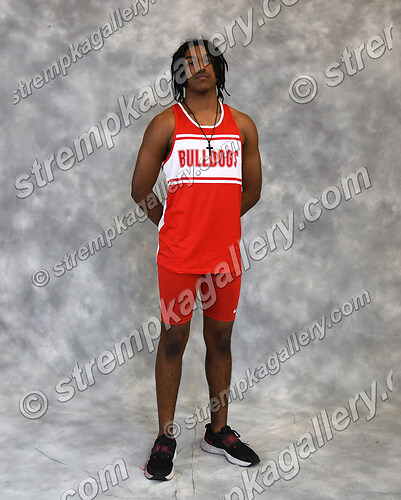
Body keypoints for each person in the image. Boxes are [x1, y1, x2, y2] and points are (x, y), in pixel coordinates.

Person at [131, 36, 262, 481]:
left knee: (220, 341)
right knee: (173, 341)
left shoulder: (242, 125)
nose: (199, 67)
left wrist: (216, 223)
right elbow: (140, 190)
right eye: (189, 62)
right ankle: (165, 436)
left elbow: (252, 191)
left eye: (207, 61)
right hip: (178, 258)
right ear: (179, 73)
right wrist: (174, 226)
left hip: (224, 259)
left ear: (219, 70)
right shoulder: (165, 125)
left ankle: (218, 432)